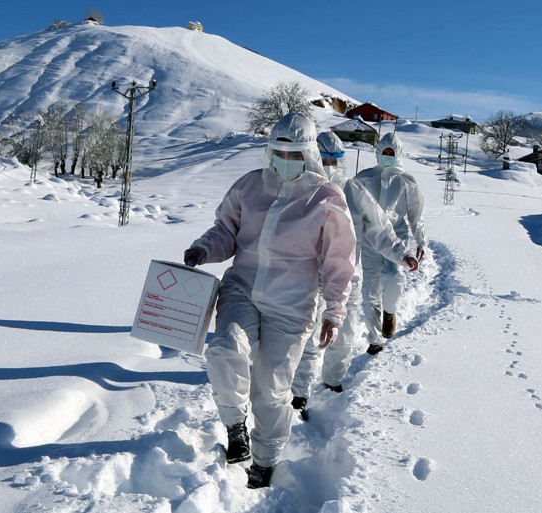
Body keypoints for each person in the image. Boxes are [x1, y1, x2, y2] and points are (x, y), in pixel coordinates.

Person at [183, 113, 356, 488]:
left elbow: (340, 259)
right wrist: (203, 249)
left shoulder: (326, 198)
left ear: (309, 154)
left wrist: (335, 310)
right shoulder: (249, 187)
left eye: (294, 154)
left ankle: (265, 459)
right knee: (226, 350)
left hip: (292, 305)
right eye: (279, 152)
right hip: (241, 288)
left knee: (272, 390)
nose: (285, 160)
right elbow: (225, 230)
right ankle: (234, 425)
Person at [290, 132, 418, 419]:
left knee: (344, 337)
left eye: (336, 160)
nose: (330, 166)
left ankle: (333, 381)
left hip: (347, 279)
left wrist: (402, 253)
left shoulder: (354, 191)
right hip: (307, 278)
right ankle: (299, 394)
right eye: (324, 160)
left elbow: (380, 230)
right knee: (309, 338)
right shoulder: (298, 191)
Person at [354, 132, 427, 355]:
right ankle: (375, 338)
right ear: (377, 153)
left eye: (391, 153)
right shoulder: (364, 178)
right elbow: (353, 209)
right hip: (369, 240)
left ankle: (390, 311)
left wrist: (421, 239)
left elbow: (416, 214)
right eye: (384, 152)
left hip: (398, 239)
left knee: (394, 276)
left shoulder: (407, 182)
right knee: (369, 291)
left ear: (398, 154)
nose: (387, 156)